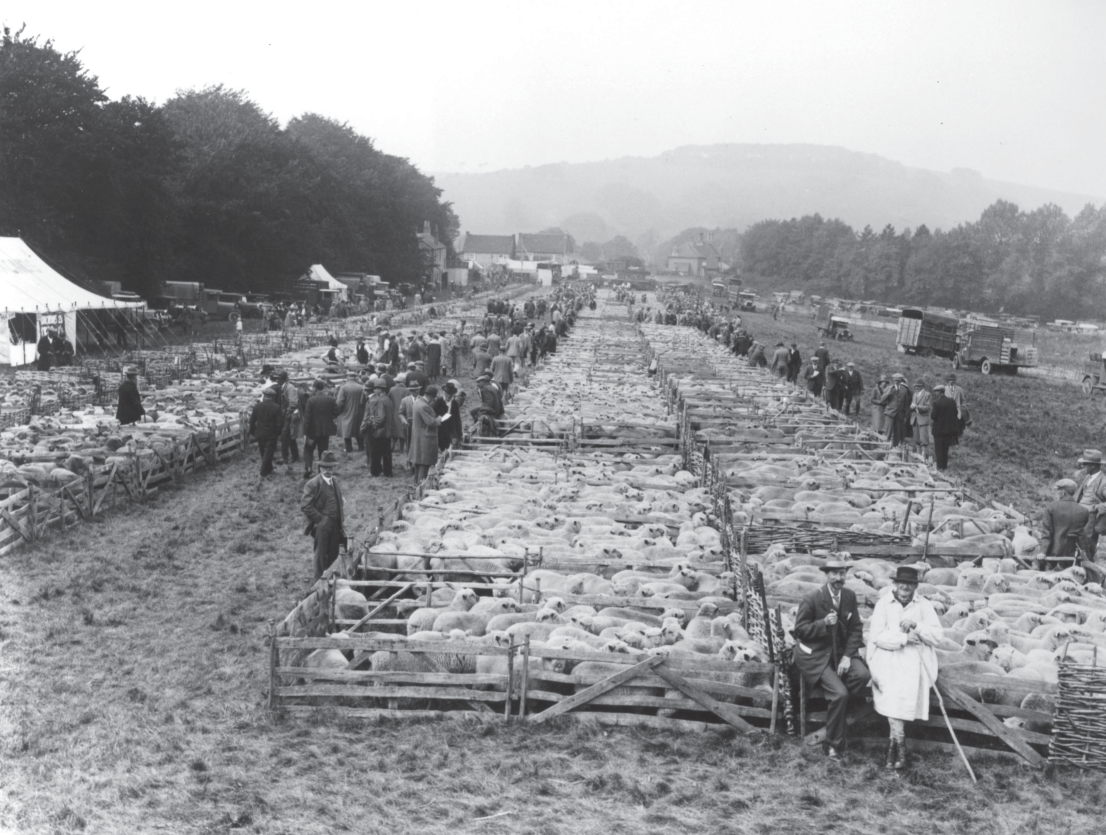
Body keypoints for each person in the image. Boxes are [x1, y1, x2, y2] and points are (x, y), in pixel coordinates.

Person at [792, 558, 870, 761]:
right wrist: (822, 623)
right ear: (826, 575)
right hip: (816, 655)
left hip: (840, 654)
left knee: (862, 675)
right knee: (840, 694)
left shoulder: (850, 596)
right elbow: (799, 631)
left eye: (842, 573)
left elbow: (855, 629)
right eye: (834, 574)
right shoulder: (812, 598)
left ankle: (839, 712)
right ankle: (832, 744)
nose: (838, 578)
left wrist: (846, 657)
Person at [866, 565, 942, 770]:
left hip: (915, 662)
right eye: (902, 582)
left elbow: (937, 636)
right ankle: (900, 748)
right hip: (889, 659)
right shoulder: (884, 604)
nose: (905, 587)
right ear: (895, 583)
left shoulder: (924, 606)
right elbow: (877, 637)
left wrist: (917, 626)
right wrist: (903, 638)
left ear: (915, 586)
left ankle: (894, 749)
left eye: (909, 583)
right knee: (893, 697)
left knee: (900, 701)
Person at [301, 451, 345, 580]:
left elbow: (338, 500)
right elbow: (305, 505)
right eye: (325, 467)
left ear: (333, 468)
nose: (327, 470)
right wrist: (320, 519)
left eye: (330, 467)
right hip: (322, 525)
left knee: (334, 554)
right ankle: (318, 584)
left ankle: (331, 581)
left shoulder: (334, 481)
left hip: (335, 524)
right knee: (320, 556)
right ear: (320, 467)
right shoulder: (313, 483)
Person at [1039, 479, 1089, 568]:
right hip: (1074, 556)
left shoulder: (1051, 507)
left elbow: (1046, 532)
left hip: (1053, 556)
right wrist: (1083, 551)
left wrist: (1042, 552)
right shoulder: (1084, 511)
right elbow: (1081, 534)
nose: (1057, 493)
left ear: (1063, 492)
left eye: (1058, 490)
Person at [410, 385, 449, 482]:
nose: (433, 400)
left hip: (419, 436)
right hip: (425, 438)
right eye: (433, 398)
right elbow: (431, 422)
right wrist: (439, 419)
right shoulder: (424, 406)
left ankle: (417, 483)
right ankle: (421, 485)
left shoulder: (418, 402)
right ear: (430, 396)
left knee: (419, 462)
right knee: (424, 463)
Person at [1073, 449, 1106, 561]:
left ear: (1093, 466)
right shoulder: (1089, 477)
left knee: (1088, 545)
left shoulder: (1103, 481)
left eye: (1085, 464)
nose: (1083, 466)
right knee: (1078, 544)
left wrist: (1097, 507)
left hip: (1090, 520)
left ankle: (1090, 572)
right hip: (1079, 517)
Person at [302, 379, 338, 479]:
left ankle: (308, 467)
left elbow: (307, 418)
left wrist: (305, 432)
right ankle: (321, 471)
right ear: (324, 388)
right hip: (325, 431)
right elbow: (336, 412)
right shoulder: (330, 399)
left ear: (314, 388)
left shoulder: (311, 400)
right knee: (323, 451)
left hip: (312, 431)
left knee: (308, 449)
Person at [360, 378, 394, 477]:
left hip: (380, 431)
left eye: (376, 388)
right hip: (387, 431)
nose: (374, 390)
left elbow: (381, 417)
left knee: (375, 452)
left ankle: (375, 472)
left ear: (381, 389)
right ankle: (388, 472)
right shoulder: (387, 399)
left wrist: (373, 425)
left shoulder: (380, 401)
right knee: (387, 453)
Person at [249, 388, 284, 477]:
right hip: (271, 434)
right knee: (268, 452)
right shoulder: (276, 407)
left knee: (263, 452)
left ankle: (269, 469)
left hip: (260, 433)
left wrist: (252, 431)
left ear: (264, 396)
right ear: (272, 397)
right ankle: (263, 472)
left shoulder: (257, 406)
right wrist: (278, 433)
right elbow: (280, 423)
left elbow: (252, 420)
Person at [929, 383, 960, 471]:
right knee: (945, 449)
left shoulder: (936, 403)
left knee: (939, 449)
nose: (935, 393)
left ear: (939, 392)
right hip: (948, 430)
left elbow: (933, 416)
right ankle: (945, 466)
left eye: (936, 392)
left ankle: (940, 467)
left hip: (938, 430)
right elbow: (956, 413)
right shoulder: (952, 401)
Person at [335, 370, 366, 454]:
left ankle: (348, 448)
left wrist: (337, 411)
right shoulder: (361, 387)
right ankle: (361, 447)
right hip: (360, 412)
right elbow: (364, 401)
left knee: (346, 430)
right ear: (355, 377)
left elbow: (340, 402)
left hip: (346, 411)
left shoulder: (344, 387)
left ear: (347, 377)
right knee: (359, 429)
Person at [880, 373, 912, 448]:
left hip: (900, 414)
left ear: (901, 380)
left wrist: (905, 416)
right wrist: (888, 393)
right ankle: (885, 447)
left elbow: (906, 404)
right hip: (890, 413)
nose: (897, 382)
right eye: (895, 380)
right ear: (893, 380)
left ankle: (894, 448)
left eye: (898, 380)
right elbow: (882, 400)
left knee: (897, 433)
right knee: (888, 431)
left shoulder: (904, 390)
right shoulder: (889, 388)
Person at [908, 380, 932, 463]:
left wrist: (917, 407)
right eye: (916, 386)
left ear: (923, 386)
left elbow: (928, 407)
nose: (917, 388)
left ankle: (923, 457)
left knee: (923, 440)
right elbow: (912, 406)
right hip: (915, 419)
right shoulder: (914, 395)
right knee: (916, 439)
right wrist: (911, 407)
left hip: (923, 419)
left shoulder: (927, 394)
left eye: (919, 386)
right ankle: (918, 457)